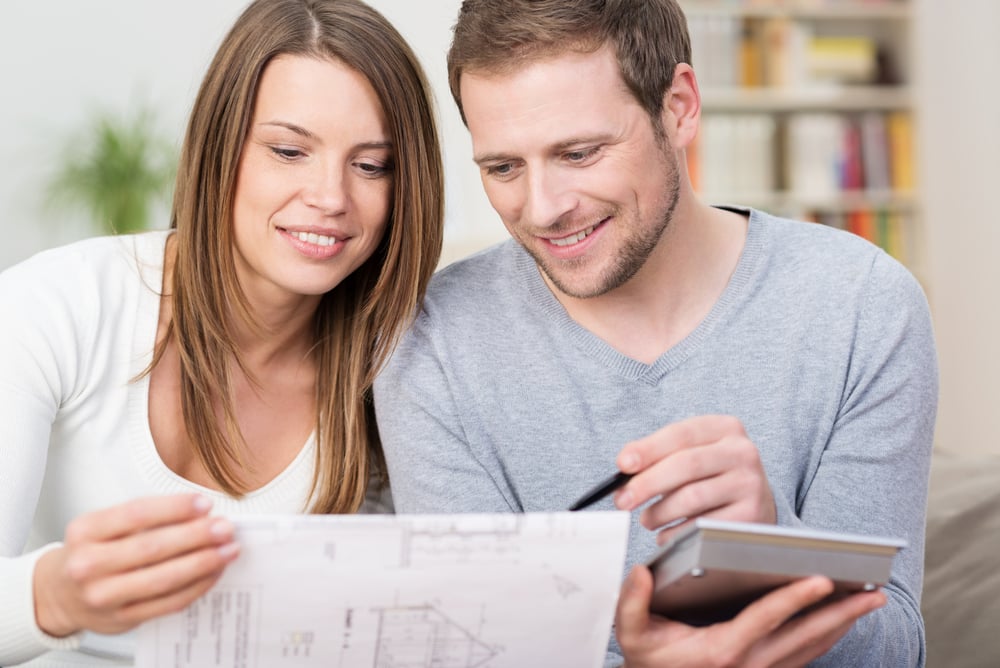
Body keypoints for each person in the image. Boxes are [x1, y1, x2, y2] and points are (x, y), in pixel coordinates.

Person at [373, 0, 937, 666]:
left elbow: (896, 649)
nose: (543, 208)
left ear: (679, 106)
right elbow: (472, 651)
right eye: (502, 168)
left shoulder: (862, 304)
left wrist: (772, 553)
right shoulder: (433, 342)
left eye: (579, 153)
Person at [0, 0, 443, 665]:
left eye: (372, 165)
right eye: (289, 151)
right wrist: (54, 598)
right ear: (219, 149)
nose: (331, 196)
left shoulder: (398, 366)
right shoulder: (55, 307)